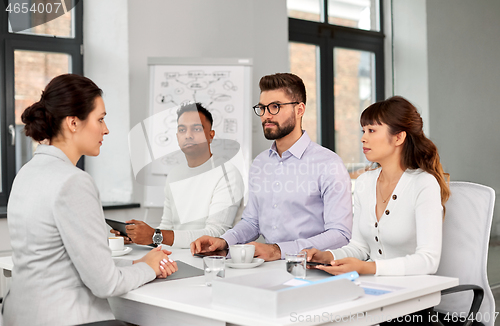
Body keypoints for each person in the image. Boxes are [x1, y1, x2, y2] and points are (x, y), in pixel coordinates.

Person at [2, 74, 178, 326]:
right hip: (69, 318)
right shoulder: (73, 181)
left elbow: (61, 261)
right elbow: (106, 284)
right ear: (73, 123)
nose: (106, 129)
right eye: (100, 119)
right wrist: (150, 266)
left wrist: (135, 264)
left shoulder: (27, 172)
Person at [191, 73, 353, 261]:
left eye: (275, 107)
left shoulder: (328, 164)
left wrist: (278, 250)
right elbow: (252, 222)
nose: (266, 115)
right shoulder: (260, 163)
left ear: (300, 109)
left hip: (310, 271)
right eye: (262, 108)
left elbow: (340, 234)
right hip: (265, 268)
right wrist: (224, 241)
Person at [305, 96, 450, 279]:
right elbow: (359, 247)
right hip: (371, 289)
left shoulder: (423, 184)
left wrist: (367, 268)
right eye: (363, 131)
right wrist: (327, 256)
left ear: (398, 137)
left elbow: (428, 260)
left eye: (371, 130)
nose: (363, 138)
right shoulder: (365, 182)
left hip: (413, 294)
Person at [117, 103, 244, 248]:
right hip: (176, 257)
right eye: (182, 130)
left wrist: (154, 235)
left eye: (196, 129)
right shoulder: (174, 175)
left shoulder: (227, 173)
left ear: (211, 135)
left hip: (211, 260)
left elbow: (216, 233)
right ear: (177, 137)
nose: (188, 135)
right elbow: (166, 226)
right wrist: (139, 238)